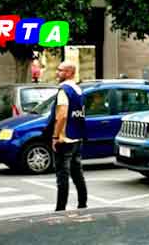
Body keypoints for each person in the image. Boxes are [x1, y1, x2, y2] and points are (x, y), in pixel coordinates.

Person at [47, 61, 88, 211]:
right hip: (77, 136)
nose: (57, 73)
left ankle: (60, 209)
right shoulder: (78, 90)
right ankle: (82, 204)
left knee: (62, 176)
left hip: (65, 139)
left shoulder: (64, 90)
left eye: (60, 70)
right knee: (78, 174)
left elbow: (62, 115)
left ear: (69, 72)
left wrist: (55, 137)